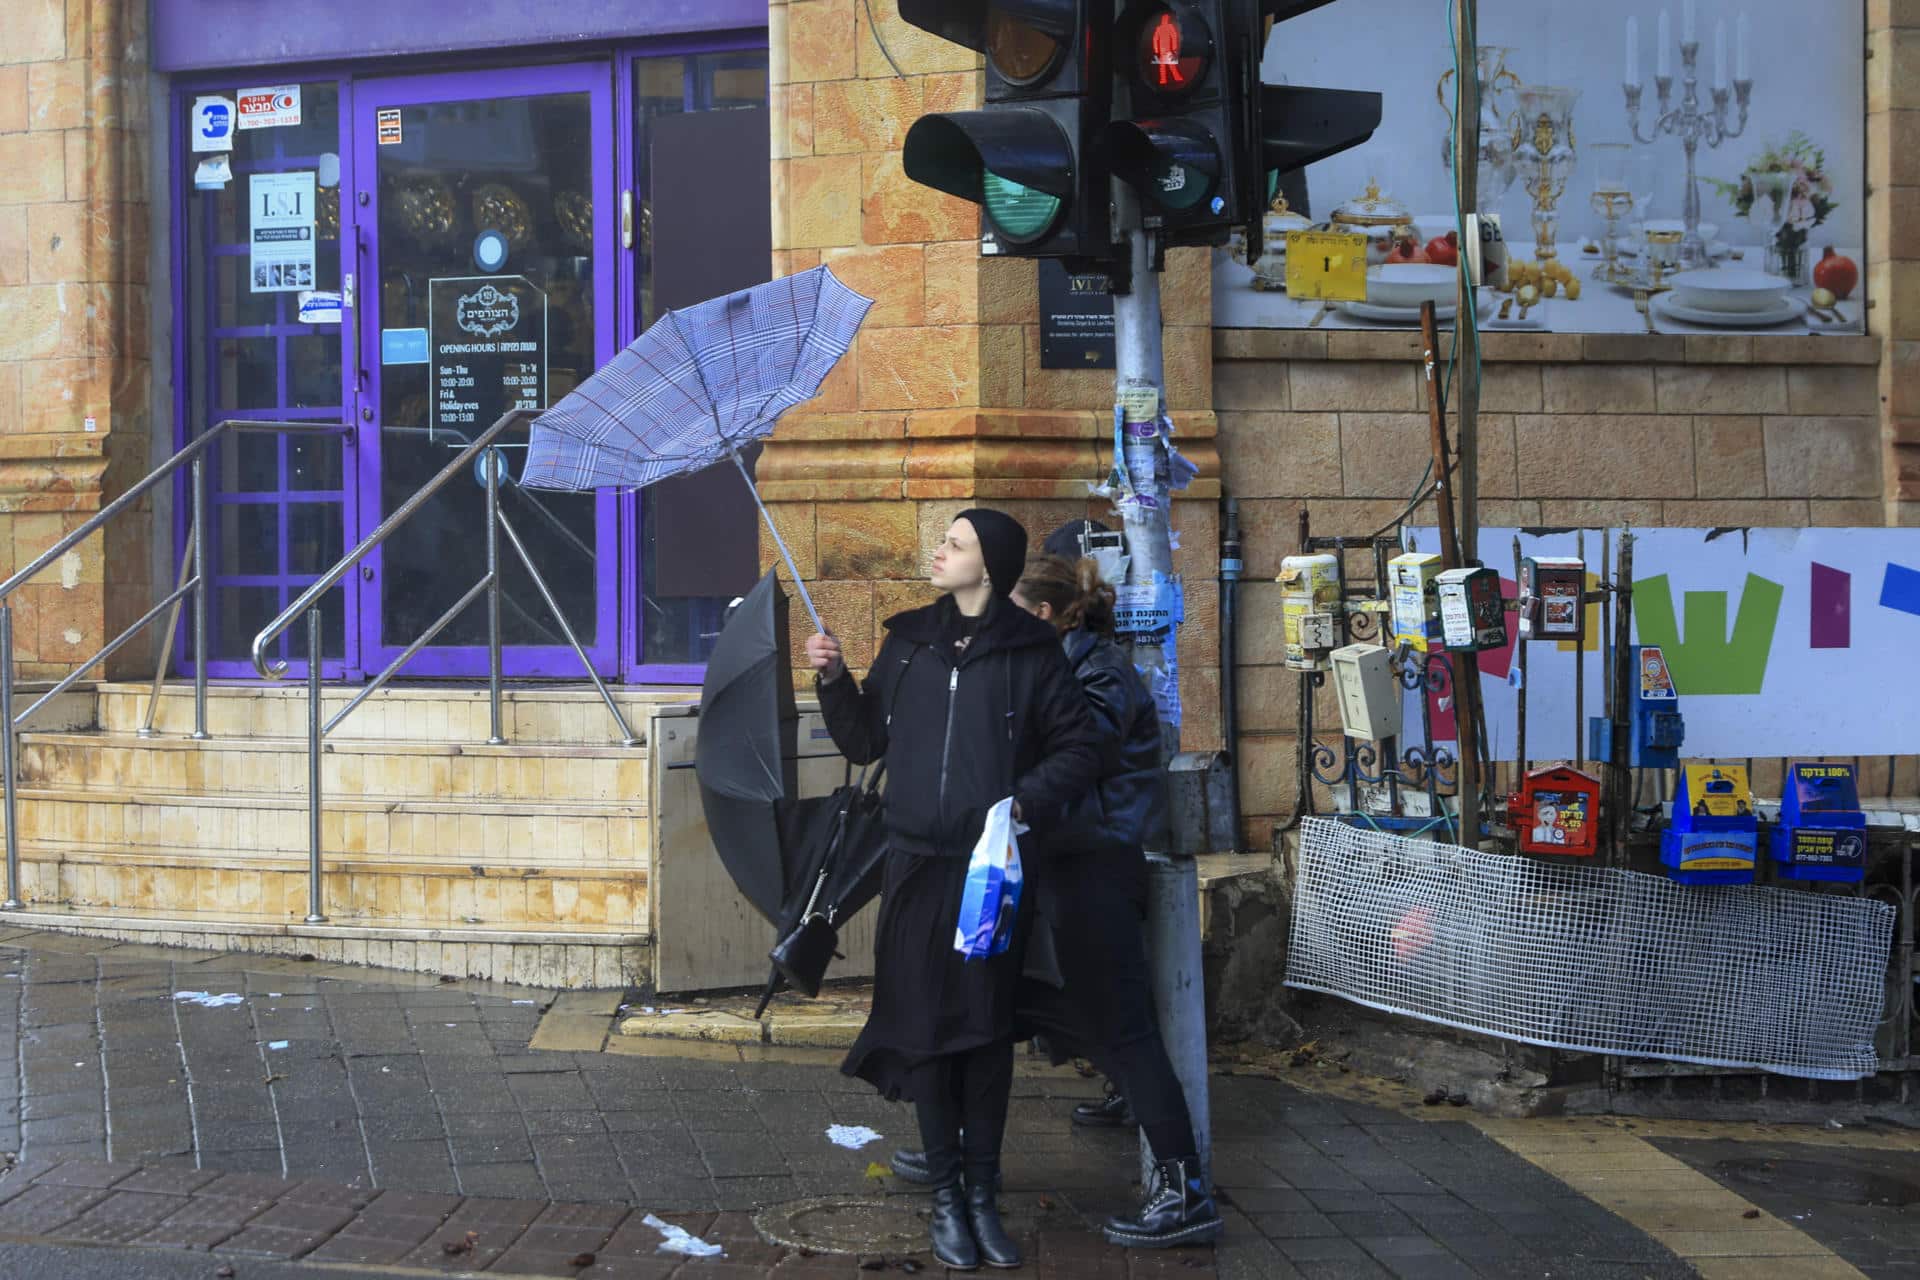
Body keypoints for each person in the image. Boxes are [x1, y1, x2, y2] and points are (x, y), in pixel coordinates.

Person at [886, 551, 1223, 1250]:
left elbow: (1074, 758)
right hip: (1049, 868)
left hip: (1091, 872)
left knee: (1125, 1033)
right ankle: (952, 1152)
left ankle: (1185, 1192)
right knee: (990, 1014)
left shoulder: (1095, 672)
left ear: (1040, 616)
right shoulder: (1065, 664)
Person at [807, 509, 1102, 1272]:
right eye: (944, 540)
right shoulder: (908, 642)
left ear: (991, 568)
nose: (939, 551)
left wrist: (1019, 804)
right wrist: (835, 680)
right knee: (928, 1036)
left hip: (989, 876)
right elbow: (867, 741)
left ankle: (982, 1196)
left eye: (957, 543)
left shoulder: (1033, 652)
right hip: (911, 866)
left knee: (982, 1037)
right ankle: (944, 1195)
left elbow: (1080, 748)